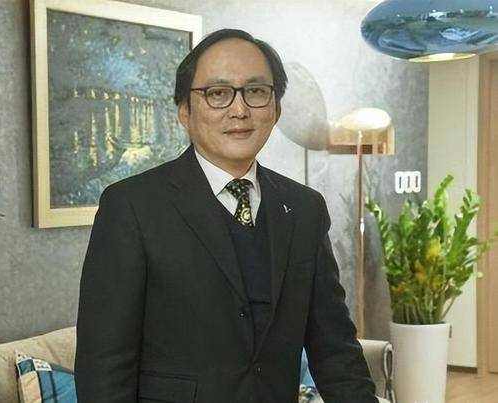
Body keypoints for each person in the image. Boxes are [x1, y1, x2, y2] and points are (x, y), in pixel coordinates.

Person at [75, 28, 377, 403]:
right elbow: (104, 367)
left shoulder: (304, 209)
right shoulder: (131, 207)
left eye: (256, 92)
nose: (239, 110)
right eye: (218, 94)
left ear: (276, 109)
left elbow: (336, 352)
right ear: (184, 111)